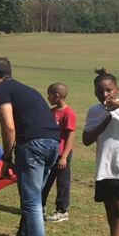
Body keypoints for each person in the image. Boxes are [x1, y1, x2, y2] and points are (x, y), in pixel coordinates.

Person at [0, 57, 60, 236]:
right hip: (53, 145)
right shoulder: (24, 88)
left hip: (33, 146)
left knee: (32, 205)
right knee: (33, 201)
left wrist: (6, 157)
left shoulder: (1, 89)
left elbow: (9, 127)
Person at [82, 68, 119, 236]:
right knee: (111, 213)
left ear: (117, 89)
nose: (105, 94)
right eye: (100, 91)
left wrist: (118, 107)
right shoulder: (94, 111)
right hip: (105, 169)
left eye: (109, 90)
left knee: (118, 212)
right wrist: (105, 119)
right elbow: (86, 140)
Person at [42, 83, 77, 223]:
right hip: (51, 152)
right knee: (45, 181)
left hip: (63, 154)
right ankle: (40, 206)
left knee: (62, 183)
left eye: (49, 95)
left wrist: (64, 157)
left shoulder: (69, 113)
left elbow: (71, 136)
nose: (48, 97)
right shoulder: (52, 111)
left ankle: (62, 210)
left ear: (57, 96)